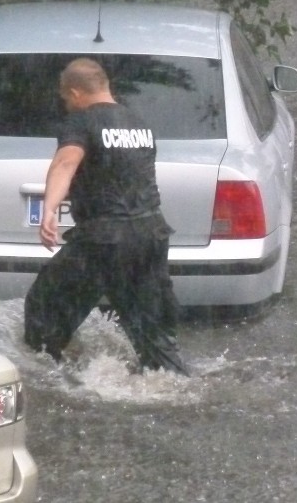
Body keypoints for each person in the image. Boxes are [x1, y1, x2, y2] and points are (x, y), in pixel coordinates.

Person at [23, 57, 187, 375]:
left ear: (75, 92)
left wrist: (49, 209)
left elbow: (65, 163)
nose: (67, 105)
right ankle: (173, 385)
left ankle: (49, 383)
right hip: (150, 234)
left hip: (104, 240)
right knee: (153, 335)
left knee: (43, 309)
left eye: (66, 99)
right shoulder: (139, 123)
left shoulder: (82, 122)